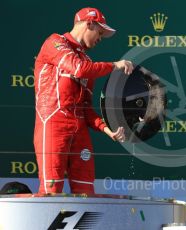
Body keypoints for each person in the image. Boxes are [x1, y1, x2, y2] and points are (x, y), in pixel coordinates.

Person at [34, 7, 134, 194]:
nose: (100, 39)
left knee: (85, 190)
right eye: (100, 32)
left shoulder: (87, 61)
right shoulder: (55, 42)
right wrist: (114, 65)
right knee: (52, 190)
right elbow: (78, 68)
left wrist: (107, 130)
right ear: (89, 23)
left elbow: (86, 108)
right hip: (53, 123)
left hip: (79, 128)